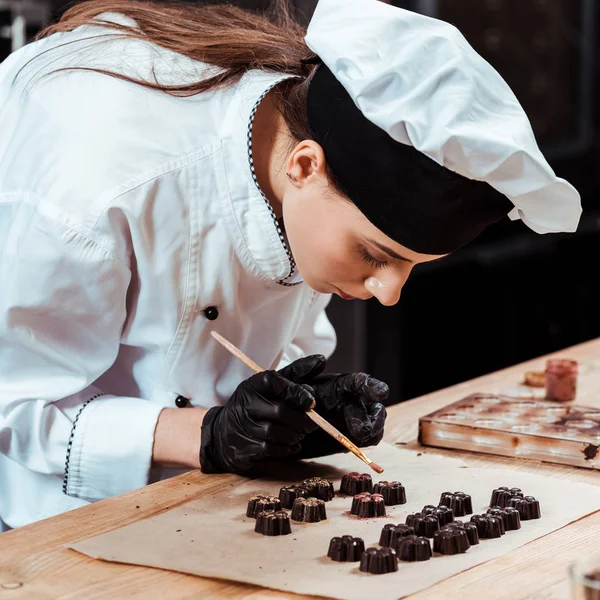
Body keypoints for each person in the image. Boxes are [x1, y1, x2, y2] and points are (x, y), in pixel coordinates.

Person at [0, 0, 581, 531]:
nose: (389, 294)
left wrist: (292, 413)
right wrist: (204, 434)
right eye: (376, 256)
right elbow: (13, 400)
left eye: (413, 266)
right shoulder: (99, 179)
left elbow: (255, 354)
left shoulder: (299, 156)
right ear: (305, 166)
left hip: (193, 514)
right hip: (40, 525)